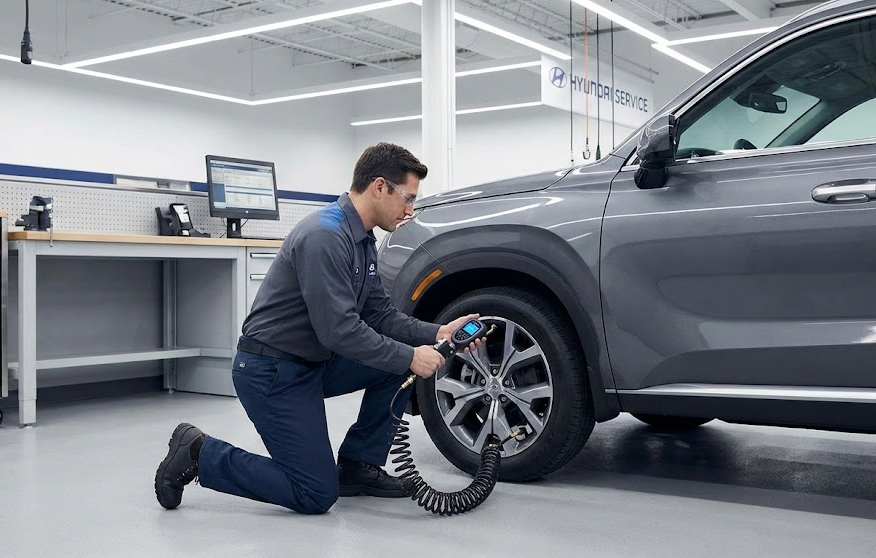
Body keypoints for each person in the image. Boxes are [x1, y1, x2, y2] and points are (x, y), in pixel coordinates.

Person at [154, 143, 483, 515]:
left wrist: (438, 334)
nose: (410, 209)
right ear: (379, 187)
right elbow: (339, 331)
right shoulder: (325, 236)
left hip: (312, 364)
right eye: (407, 198)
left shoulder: (362, 241)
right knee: (315, 493)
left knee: (395, 365)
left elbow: (381, 316)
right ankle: (199, 452)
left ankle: (358, 466)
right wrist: (411, 356)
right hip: (271, 372)